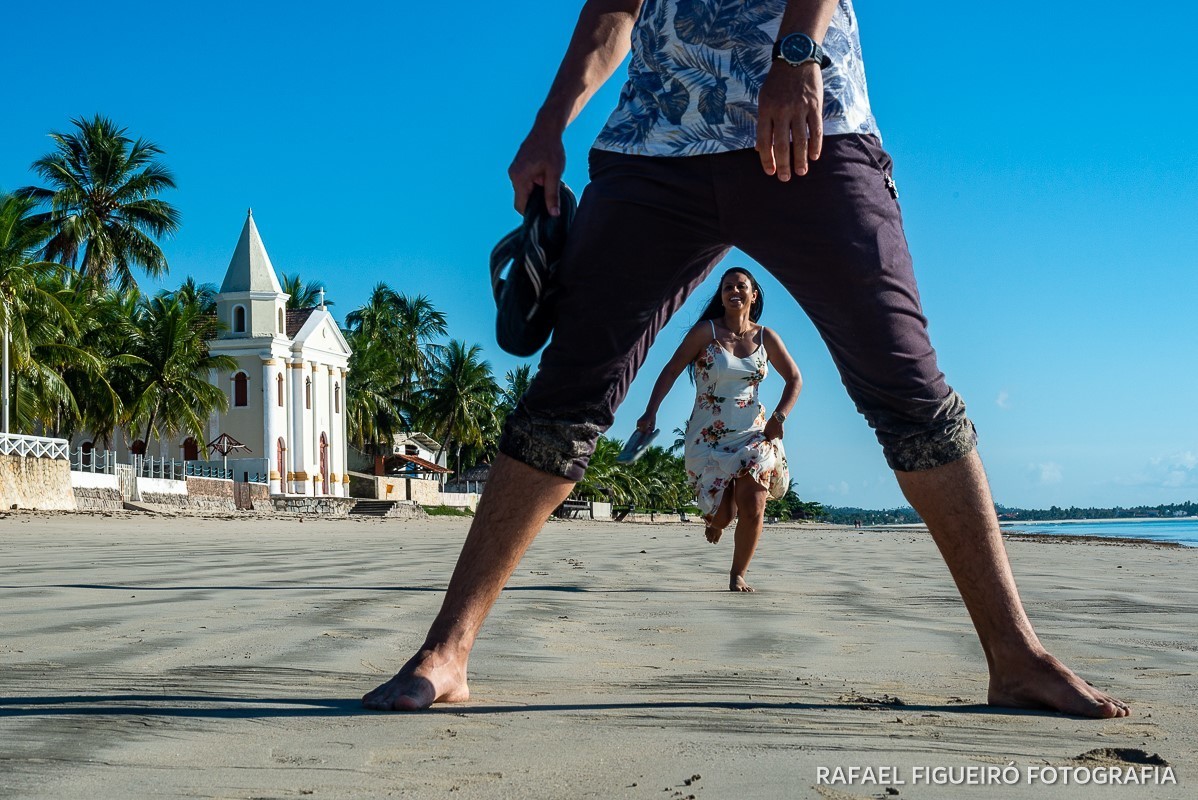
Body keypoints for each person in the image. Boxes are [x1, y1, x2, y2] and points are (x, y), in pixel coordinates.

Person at [363, 0, 1129, 718]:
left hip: (811, 132)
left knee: (906, 387)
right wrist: (549, 123)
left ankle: (1015, 655)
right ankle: (447, 652)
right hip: (654, 146)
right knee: (566, 396)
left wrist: (797, 52)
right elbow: (615, 8)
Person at [636, 267, 801, 592]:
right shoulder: (705, 332)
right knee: (724, 516)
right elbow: (671, 370)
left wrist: (779, 418)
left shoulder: (766, 337)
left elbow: (794, 379)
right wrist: (650, 411)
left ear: (754, 296)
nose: (734, 291)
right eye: (728, 287)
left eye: (742, 286)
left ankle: (737, 573)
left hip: (754, 433)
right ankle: (718, 519)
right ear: (722, 296)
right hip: (707, 436)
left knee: (753, 506)